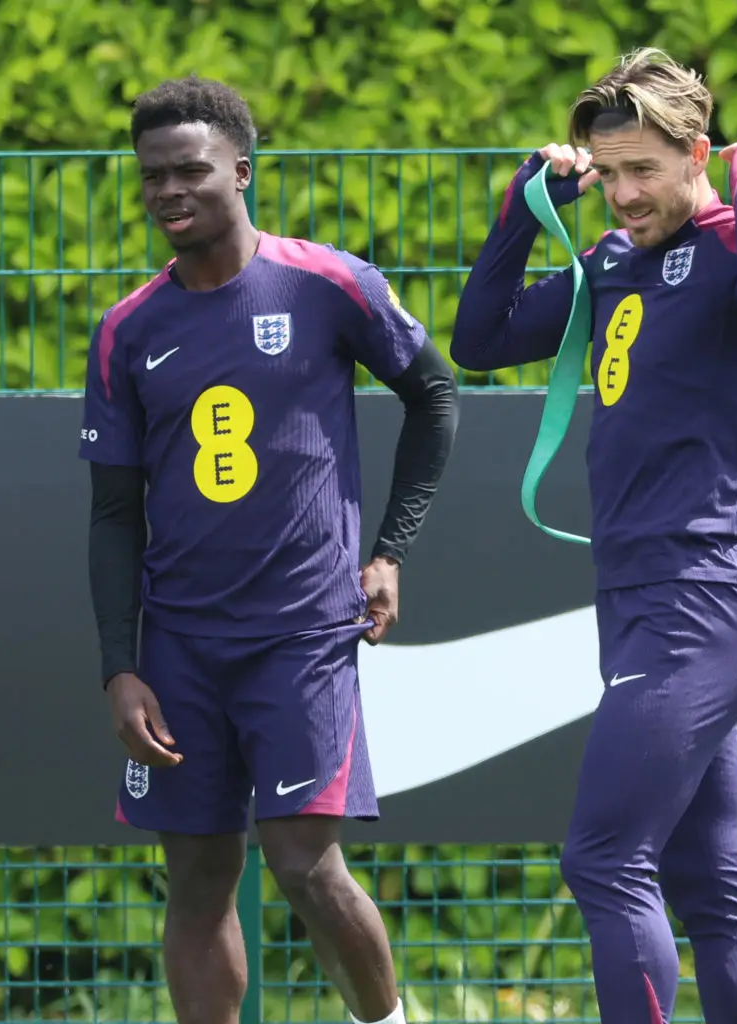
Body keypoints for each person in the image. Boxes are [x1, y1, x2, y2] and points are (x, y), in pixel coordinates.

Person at [449, 48, 737, 1024]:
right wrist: (521, 204)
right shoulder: (615, 259)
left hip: (697, 606)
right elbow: (480, 338)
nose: (619, 193)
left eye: (640, 171)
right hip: (639, 600)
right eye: (605, 172)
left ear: (696, 153)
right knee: (708, 877)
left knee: (603, 856)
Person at [79, 75, 459, 1024]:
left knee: (302, 863)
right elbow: (114, 514)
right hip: (180, 648)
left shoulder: (326, 284)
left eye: (190, 171)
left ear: (241, 171)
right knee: (199, 872)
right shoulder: (127, 331)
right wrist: (119, 670)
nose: (169, 191)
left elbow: (435, 396)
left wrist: (389, 551)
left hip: (301, 638)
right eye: (152, 176)